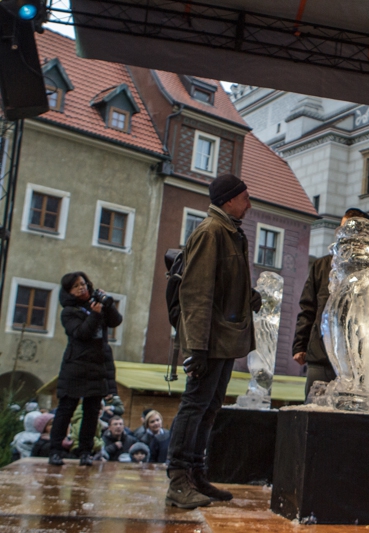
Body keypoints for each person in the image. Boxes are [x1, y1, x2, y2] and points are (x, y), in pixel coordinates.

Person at [166, 174, 261, 509]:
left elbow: (223, 283)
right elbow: (197, 294)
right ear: (229, 199)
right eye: (245, 198)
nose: (249, 205)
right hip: (208, 341)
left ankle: (195, 474)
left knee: (208, 409)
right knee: (194, 408)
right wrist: (196, 349)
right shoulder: (211, 231)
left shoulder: (231, 232)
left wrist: (247, 296)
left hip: (223, 339)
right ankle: (178, 481)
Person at [292, 208, 369, 397]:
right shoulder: (323, 265)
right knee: (315, 409)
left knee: (353, 410)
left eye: (347, 229)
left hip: (359, 359)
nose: (342, 234)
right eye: (341, 229)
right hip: (321, 354)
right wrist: (300, 345)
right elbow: (308, 307)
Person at [48, 272, 122, 467]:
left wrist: (107, 304)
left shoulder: (96, 304)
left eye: (83, 283)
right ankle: (55, 450)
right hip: (76, 366)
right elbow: (82, 333)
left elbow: (116, 321)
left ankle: (86, 452)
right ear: (69, 292)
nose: (81, 287)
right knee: (66, 410)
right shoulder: (69, 312)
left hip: (97, 366)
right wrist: (96, 314)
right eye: (75, 286)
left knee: (91, 412)